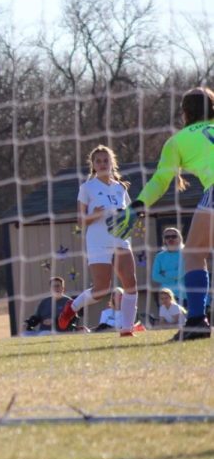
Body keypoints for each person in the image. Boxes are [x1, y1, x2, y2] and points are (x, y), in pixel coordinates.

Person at [109, 87, 214, 341]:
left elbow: (160, 180)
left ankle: (197, 321)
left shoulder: (177, 141)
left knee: (193, 253)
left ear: (185, 112)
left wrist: (138, 205)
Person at [58, 145, 140, 337]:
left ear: (112, 163)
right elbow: (80, 220)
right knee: (102, 289)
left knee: (131, 283)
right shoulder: (87, 188)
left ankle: (126, 329)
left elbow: (130, 213)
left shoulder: (120, 188)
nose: (102, 164)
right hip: (97, 241)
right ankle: (73, 306)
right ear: (93, 165)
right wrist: (93, 215)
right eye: (98, 161)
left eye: (106, 160)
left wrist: (130, 218)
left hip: (120, 240)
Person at [151, 227, 185, 307]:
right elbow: (155, 276)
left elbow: (183, 272)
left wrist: (165, 273)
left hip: (184, 295)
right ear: (164, 240)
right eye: (167, 237)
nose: (170, 239)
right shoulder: (159, 256)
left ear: (179, 238)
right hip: (166, 297)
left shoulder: (186, 254)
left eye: (173, 236)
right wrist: (175, 275)